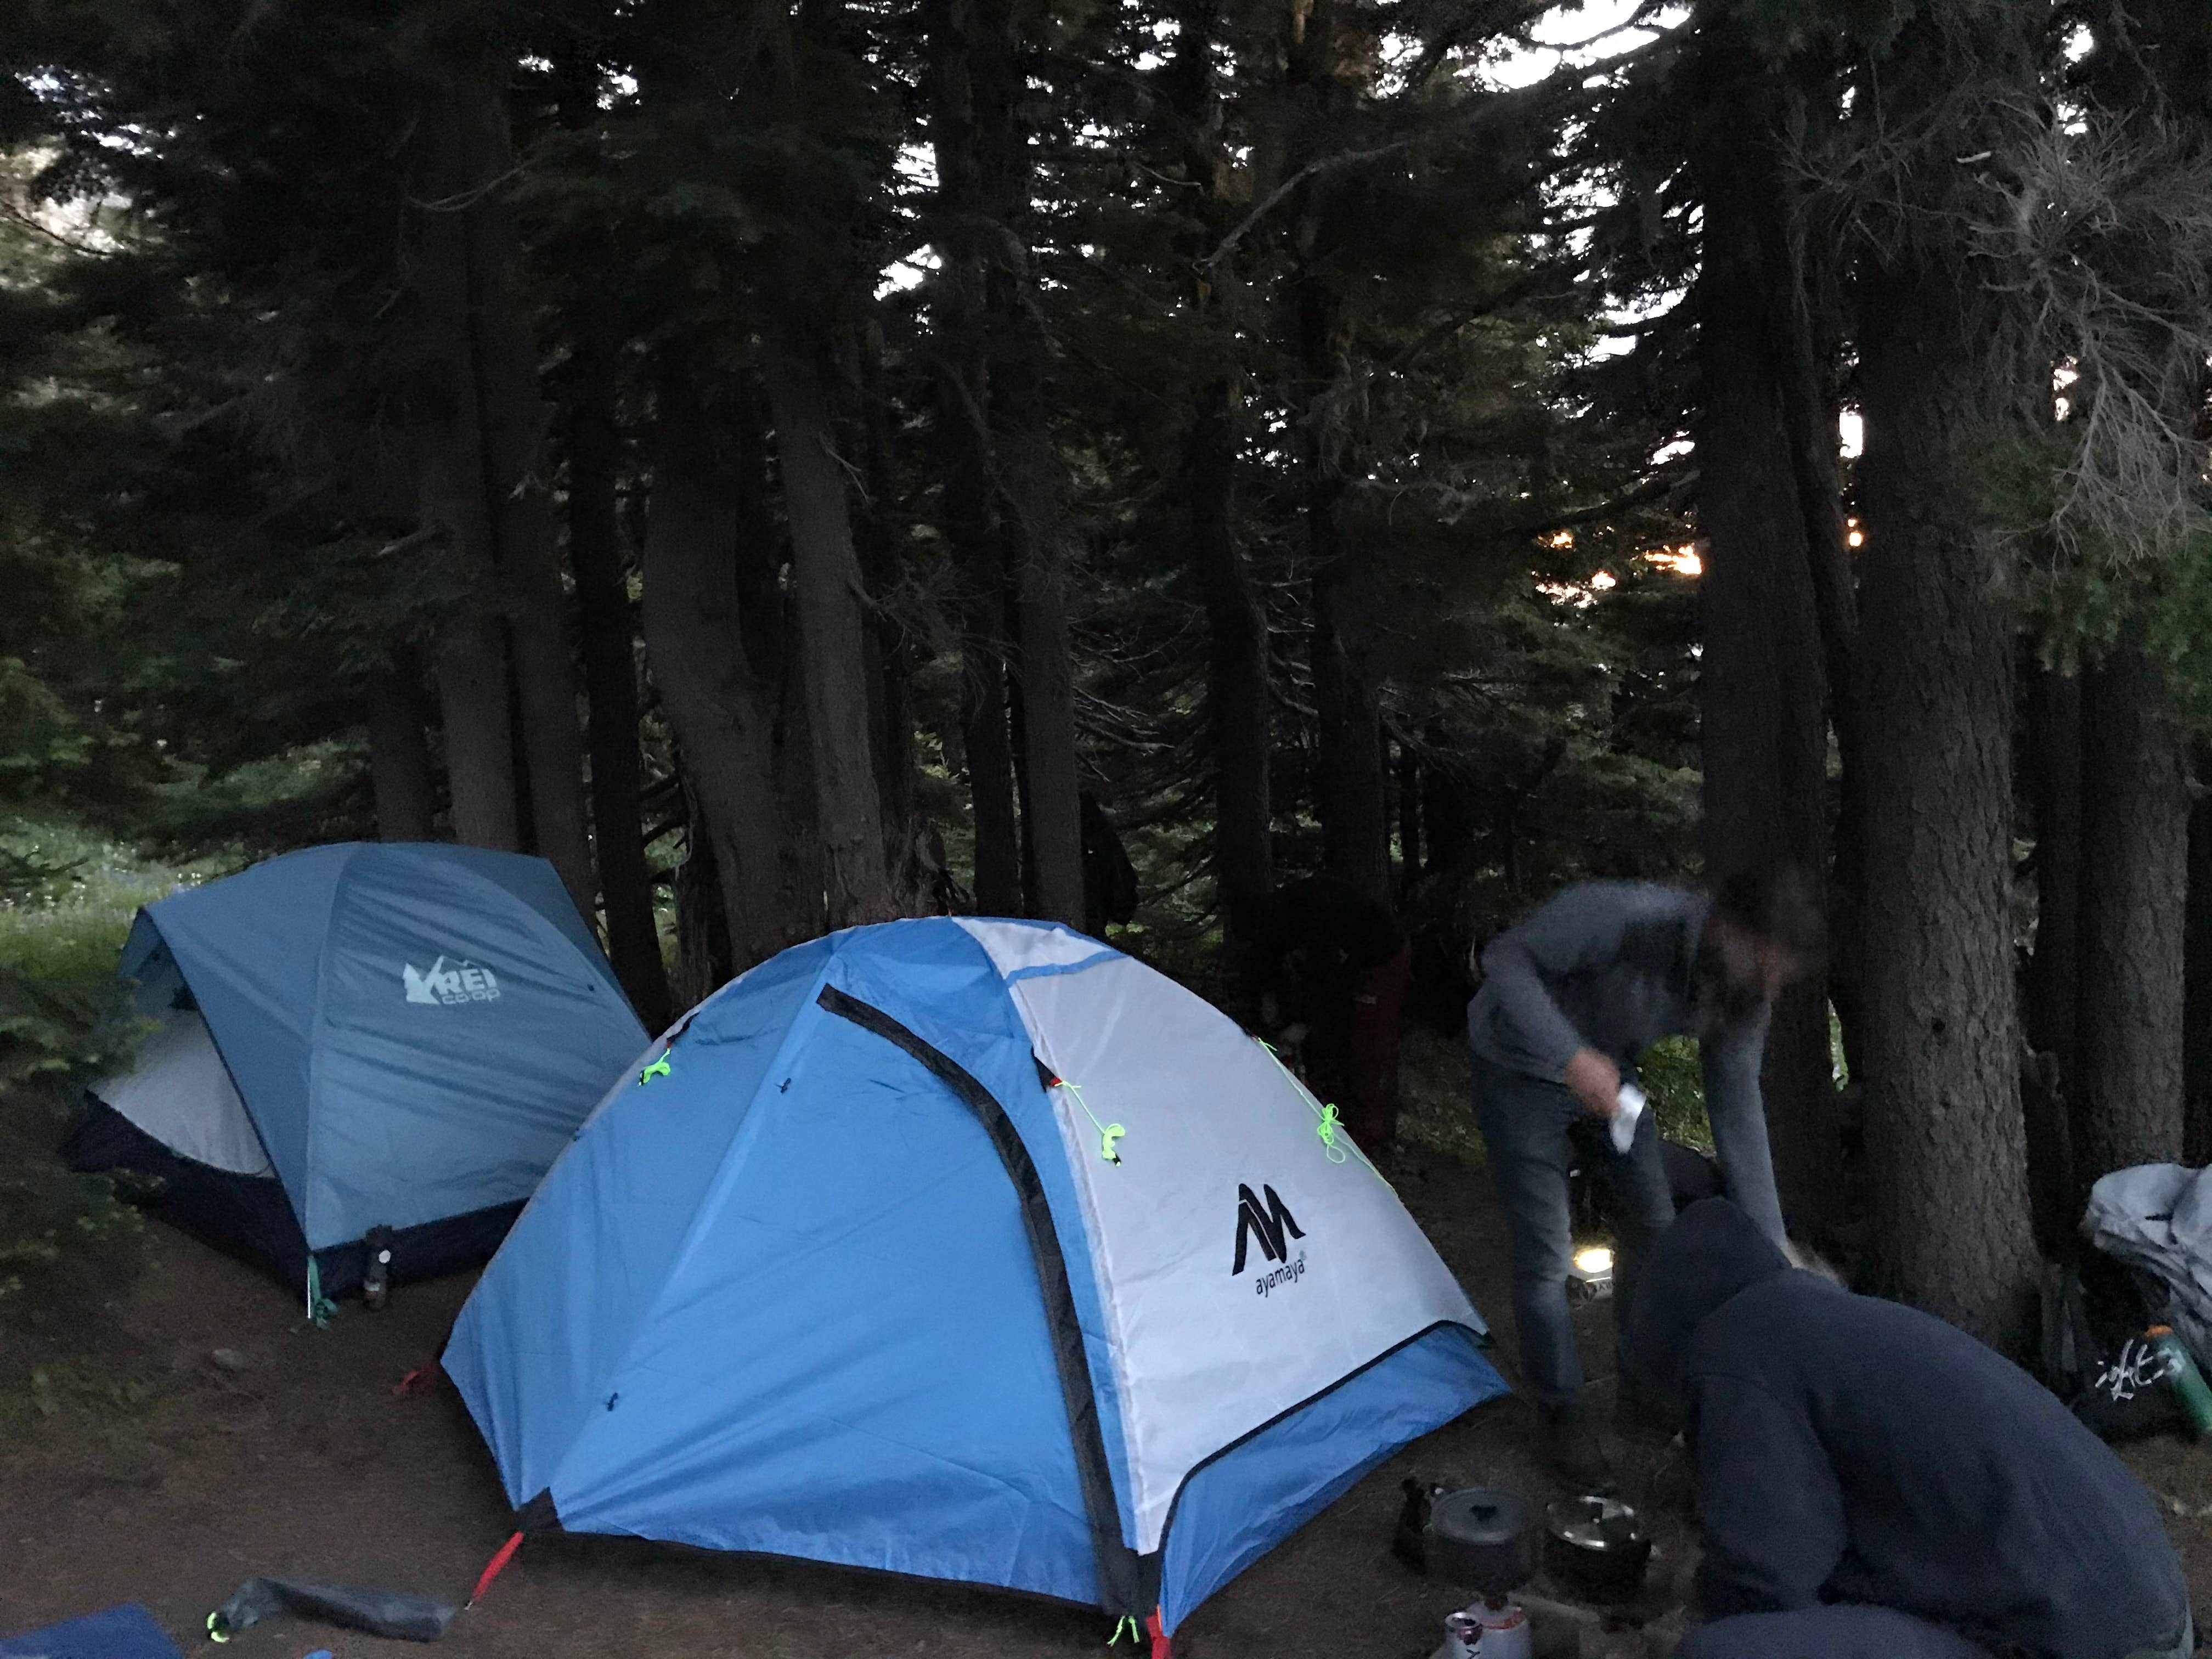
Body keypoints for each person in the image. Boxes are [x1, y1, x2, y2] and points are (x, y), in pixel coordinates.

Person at [1630, 1200, 2191, 1659]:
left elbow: (1773, 1578)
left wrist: (1696, 1590)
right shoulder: (1826, 1324)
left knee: (1723, 1653)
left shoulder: (1738, 1348)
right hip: (2152, 1609)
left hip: (2081, 1640)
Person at [1463, 865, 1821, 1491]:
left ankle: (1642, 1386)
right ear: (1731, 928)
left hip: (1610, 1077)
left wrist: (1773, 1242)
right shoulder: (1625, 917)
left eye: (1780, 975)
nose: (1770, 984)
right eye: (1766, 963)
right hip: (1518, 1065)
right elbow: (1507, 960)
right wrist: (1569, 1056)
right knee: (1547, 1256)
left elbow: (1737, 1102)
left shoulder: (1744, 992)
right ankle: (1562, 1413)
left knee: (1656, 1223)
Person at [1248, 873, 1413, 1157]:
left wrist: (1301, 1025)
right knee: (1329, 1044)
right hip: (1344, 961)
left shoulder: (1315, 921)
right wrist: (1268, 1001)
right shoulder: (1271, 927)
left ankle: (1363, 1144)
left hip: (1380, 958)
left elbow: (1329, 983)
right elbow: (1270, 967)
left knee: (1366, 1048)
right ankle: (1321, 1122)